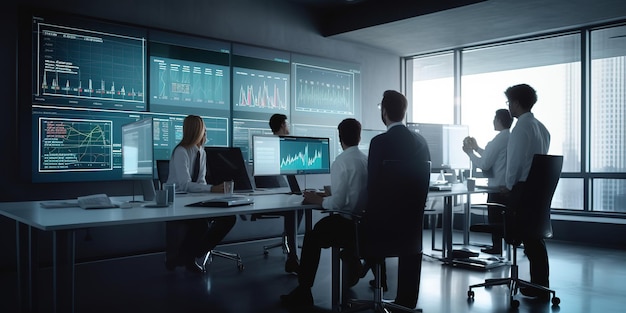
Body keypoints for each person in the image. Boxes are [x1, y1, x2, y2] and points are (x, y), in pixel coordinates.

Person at [280, 118, 368, 308]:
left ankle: (304, 291)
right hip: (365, 224)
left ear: (339, 137)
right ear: (359, 136)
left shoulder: (341, 162)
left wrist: (316, 199)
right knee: (320, 231)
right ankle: (353, 263)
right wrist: (330, 194)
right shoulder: (365, 160)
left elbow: (337, 204)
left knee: (312, 237)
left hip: (347, 224)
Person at [363, 90, 431, 309]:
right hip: (412, 227)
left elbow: (372, 187)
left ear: (384, 112)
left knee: (355, 225)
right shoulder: (421, 142)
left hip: (383, 228)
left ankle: (362, 271)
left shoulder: (379, 142)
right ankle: (406, 302)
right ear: (404, 111)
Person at [164, 115, 237, 273]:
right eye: (204, 129)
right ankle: (187, 258)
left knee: (229, 218)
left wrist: (213, 193)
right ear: (197, 130)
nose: (206, 132)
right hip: (180, 200)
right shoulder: (181, 151)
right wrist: (212, 189)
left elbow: (201, 182)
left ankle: (189, 254)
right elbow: (185, 185)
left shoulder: (201, 152)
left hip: (196, 199)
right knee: (201, 223)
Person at [503, 84, 551, 300]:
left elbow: (513, 165)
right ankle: (541, 285)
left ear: (515, 103)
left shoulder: (520, 128)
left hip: (522, 193)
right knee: (535, 240)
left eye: (509, 103)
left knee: (528, 239)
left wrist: (508, 186)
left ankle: (538, 286)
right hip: (538, 193)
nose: (509, 107)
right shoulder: (542, 128)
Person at [462, 109, 512, 255]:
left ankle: (496, 247)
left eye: (494, 118)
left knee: (494, 218)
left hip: (497, 187)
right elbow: (492, 157)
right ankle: (499, 247)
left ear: (499, 120)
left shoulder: (497, 140)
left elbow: (484, 164)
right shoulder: (508, 137)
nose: (493, 121)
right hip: (505, 185)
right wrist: (477, 148)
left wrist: (470, 153)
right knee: (502, 219)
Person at [267, 113, 302, 273]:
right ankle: (293, 256)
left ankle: (291, 241)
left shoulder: (271, 144)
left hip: (283, 192)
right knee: (296, 208)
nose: (288, 127)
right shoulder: (278, 145)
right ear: (282, 125)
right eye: (286, 124)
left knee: (299, 206)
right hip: (277, 193)